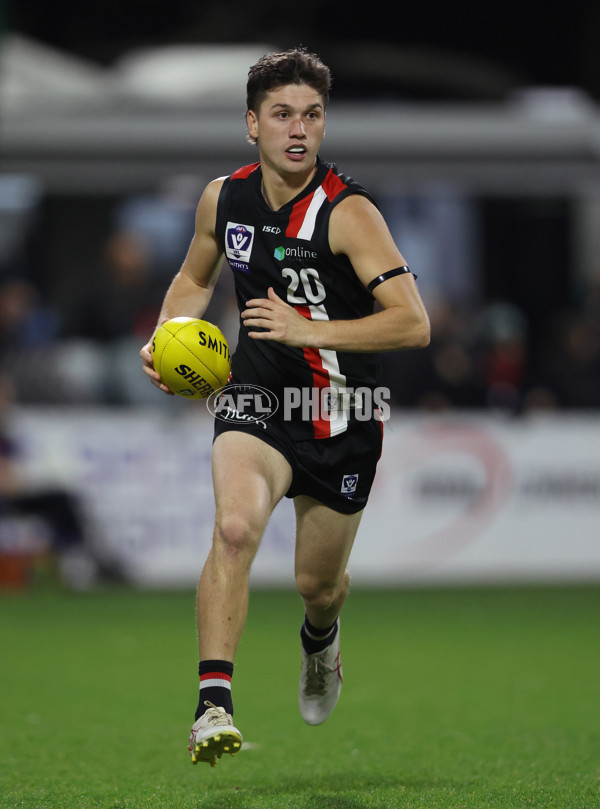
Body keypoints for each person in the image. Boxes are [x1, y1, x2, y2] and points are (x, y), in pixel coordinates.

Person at [140, 47, 430, 768]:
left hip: (342, 409)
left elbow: (413, 322)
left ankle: (320, 639)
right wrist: (165, 336)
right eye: (282, 115)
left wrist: (311, 329)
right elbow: (190, 278)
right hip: (258, 394)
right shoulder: (223, 198)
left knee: (317, 583)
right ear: (252, 125)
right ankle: (214, 704)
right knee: (235, 528)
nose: (298, 129)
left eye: (312, 114)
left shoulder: (348, 212)